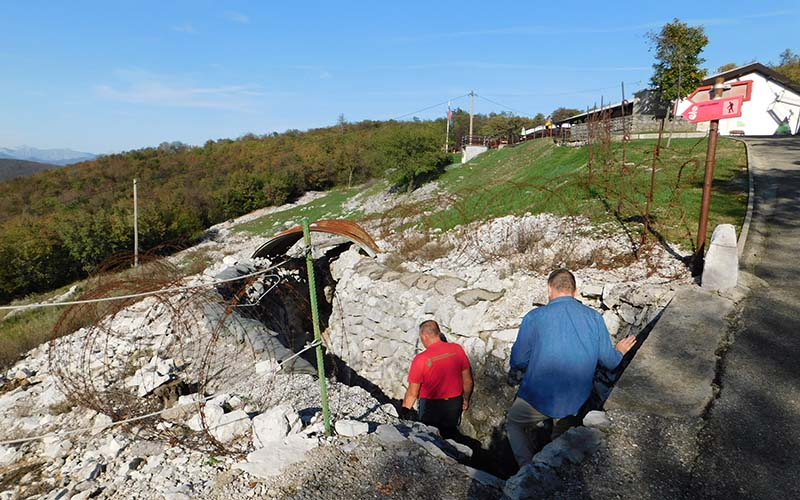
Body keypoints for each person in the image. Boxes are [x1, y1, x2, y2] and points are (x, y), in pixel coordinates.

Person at [506, 268, 636, 466]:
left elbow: (518, 361)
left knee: (514, 424)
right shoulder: (594, 318)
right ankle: (552, 465)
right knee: (560, 438)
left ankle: (527, 468)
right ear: (575, 291)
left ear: (549, 289)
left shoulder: (534, 317)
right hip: (575, 401)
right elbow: (609, 362)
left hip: (537, 398)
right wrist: (619, 351)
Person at [401, 320, 473, 439]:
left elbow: (412, 393)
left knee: (429, 439)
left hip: (431, 407)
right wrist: (466, 398)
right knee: (450, 437)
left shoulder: (421, 359)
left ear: (423, 336)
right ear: (438, 333)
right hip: (454, 404)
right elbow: (468, 380)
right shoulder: (457, 349)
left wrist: (404, 413)